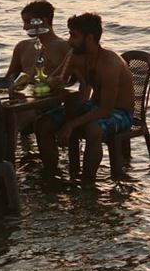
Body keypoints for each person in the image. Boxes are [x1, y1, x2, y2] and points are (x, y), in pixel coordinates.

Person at [36, 13, 135, 185]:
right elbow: (55, 79)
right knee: (43, 123)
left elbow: (105, 110)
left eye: (74, 36)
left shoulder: (109, 63)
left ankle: (88, 183)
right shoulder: (76, 56)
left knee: (93, 129)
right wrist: (55, 80)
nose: (69, 41)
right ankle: (52, 176)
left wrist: (71, 124)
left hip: (119, 112)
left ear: (89, 38)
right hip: (94, 106)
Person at [5, 0, 71, 81]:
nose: (24, 27)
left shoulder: (64, 47)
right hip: (29, 92)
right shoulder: (22, 47)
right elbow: (8, 80)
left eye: (28, 22)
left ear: (43, 21)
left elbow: (76, 79)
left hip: (56, 93)